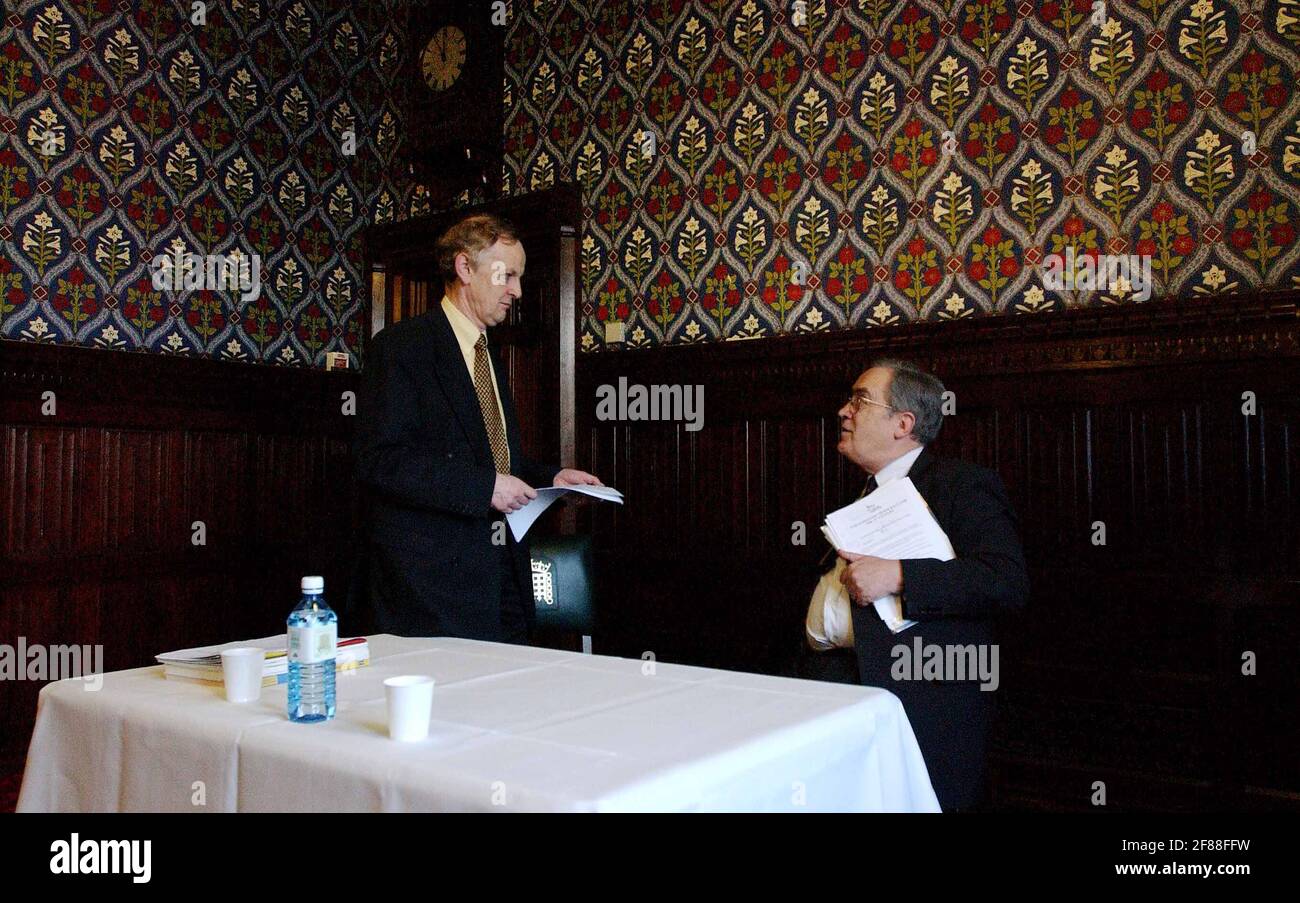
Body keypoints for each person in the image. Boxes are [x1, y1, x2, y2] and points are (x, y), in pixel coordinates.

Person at [352, 213, 601, 643]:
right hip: (432, 589)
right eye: (508, 275)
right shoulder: (401, 348)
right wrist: (484, 488)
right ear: (465, 268)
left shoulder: (487, 355)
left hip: (504, 574)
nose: (517, 291)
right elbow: (382, 462)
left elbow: (494, 459)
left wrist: (551, 478)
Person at [805, 358, 1029, 811]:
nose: (844, 411)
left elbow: (1006, 581)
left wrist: (901, 575)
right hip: (836, 690)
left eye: (859, 400)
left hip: (919, 705)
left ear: (902, 423)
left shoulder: (962, 485)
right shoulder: (865, 492)